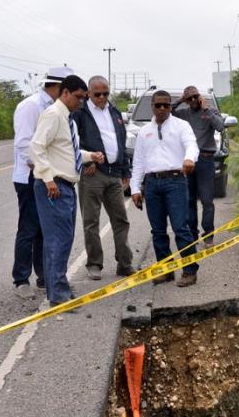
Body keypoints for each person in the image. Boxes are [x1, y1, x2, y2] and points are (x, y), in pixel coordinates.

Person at [30, 75, 105, 306]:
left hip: (67, 186)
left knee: (62, 240)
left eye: (84, 98)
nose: (81, 102)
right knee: (58, 241)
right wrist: (48, 178)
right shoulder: (53, 115)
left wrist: (91, 155)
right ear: (65, 93)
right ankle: (59, 295)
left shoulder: (69, 120)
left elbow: (68, 152)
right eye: (79, 97)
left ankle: (58, 289)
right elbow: (36, 147)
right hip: (54, 187)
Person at [11, 66, 74, 300]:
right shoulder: (31, 106)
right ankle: (21, 278)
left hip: (45, 175)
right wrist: (42, 171)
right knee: (28, 228)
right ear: (57, 87)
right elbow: (25, 144)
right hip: (30, 177)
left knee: (45, 230)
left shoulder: (56, 109)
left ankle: (43, 276)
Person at [130, 90, 199, 287]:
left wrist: (189, 159)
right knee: (158, 231)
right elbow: (139, 162)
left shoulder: (181, 126)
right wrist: (135, 188)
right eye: (158, 105)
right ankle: (166, 270)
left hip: (175, 181)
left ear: (171, 106)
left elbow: (191, 145)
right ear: (152, 106)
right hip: (152, 184)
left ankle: (189, 270)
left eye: (166, 105)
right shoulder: (144, 131)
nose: (162, 109)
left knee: (180, 228)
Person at [72, 76, 135, 280]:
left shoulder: (114, 111)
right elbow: (71, 142)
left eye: (105, 93)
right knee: (91, 221)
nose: (102, 97)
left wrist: (126, 171)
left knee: (121, 220)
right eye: (97, 94)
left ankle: (124, 264)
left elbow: (121, 141)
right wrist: (86, 161)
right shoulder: (80, 113)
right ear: (89, 93)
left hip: (114, 174)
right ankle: (94, 264)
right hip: (93, 175)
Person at [173, 86, 225, 247]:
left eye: (195, 97)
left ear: (200, 97)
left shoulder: (211, 111)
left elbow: (220, 127)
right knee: (189, 200)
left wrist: (206, 110)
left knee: (207, 200)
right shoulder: (183, 114)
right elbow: (169, 111)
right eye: (190, 98)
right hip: (188, 161)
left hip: (205, 160)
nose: (193, 100)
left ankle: (208, 235)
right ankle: (192, 235)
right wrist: (180, 99)